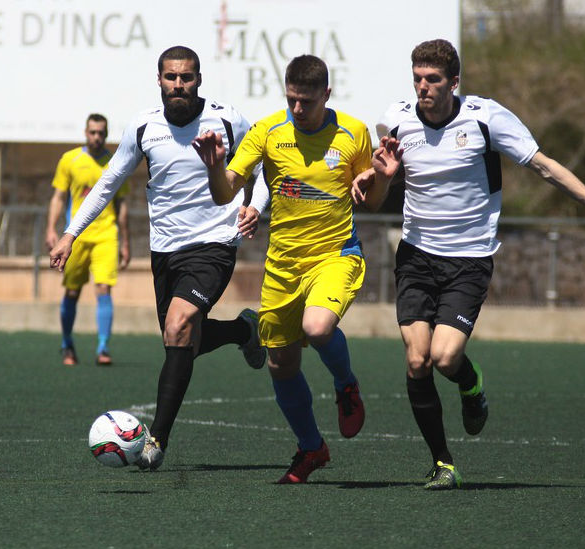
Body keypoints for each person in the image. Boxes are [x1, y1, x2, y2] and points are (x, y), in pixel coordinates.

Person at [352, 39, 585, 490]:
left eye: (432, 80)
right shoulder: (396, 120)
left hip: (469, 259)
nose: (423, 88)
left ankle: (471, 386)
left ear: (454, 82)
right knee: (417, 360)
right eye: (417, 79)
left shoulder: (486, 118)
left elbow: (544, 166)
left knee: (445, 357)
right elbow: (374, 201)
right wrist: (378, 178)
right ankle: (442, 463)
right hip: (416, 255)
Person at [50, 45, 270, 471]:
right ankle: (245, 332)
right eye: (171, 77)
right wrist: (70, 233)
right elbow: (109, 182)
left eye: (186, 77)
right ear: (159, 80)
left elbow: (263, 171)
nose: (178, 85)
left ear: (199, 79)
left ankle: (157, 441)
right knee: (181, 341)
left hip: (214, 244)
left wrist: (254, 206)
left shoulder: (228, 119)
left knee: (179, 325)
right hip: (165, 251)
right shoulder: (144, 126)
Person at [193, 54, 384, 483]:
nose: (298, 109)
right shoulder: (267, 131)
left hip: (336, 255)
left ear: (326, 95)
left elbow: (373, 198)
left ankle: (345, 384)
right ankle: (312, 448)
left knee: (318, 329)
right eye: (292, 100)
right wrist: (213, 168)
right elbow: (227, 193)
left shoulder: (353, 132)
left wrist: (374, 179)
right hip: (282, 266)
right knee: (281, 364)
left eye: (306, 101)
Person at [45, 113, 131, 366]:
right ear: (85, 132)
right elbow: (59, 197)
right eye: (92, 132)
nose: (96, 137)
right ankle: (67, 344)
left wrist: (126, 241)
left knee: (104, 288)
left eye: (101, 133)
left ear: (106, 134)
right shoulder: (70, 160)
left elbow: (122, 203)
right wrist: (51, 229)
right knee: (72, 291)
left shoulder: (115, 162)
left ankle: (103, 347)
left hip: (106, 233)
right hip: (76, 236)